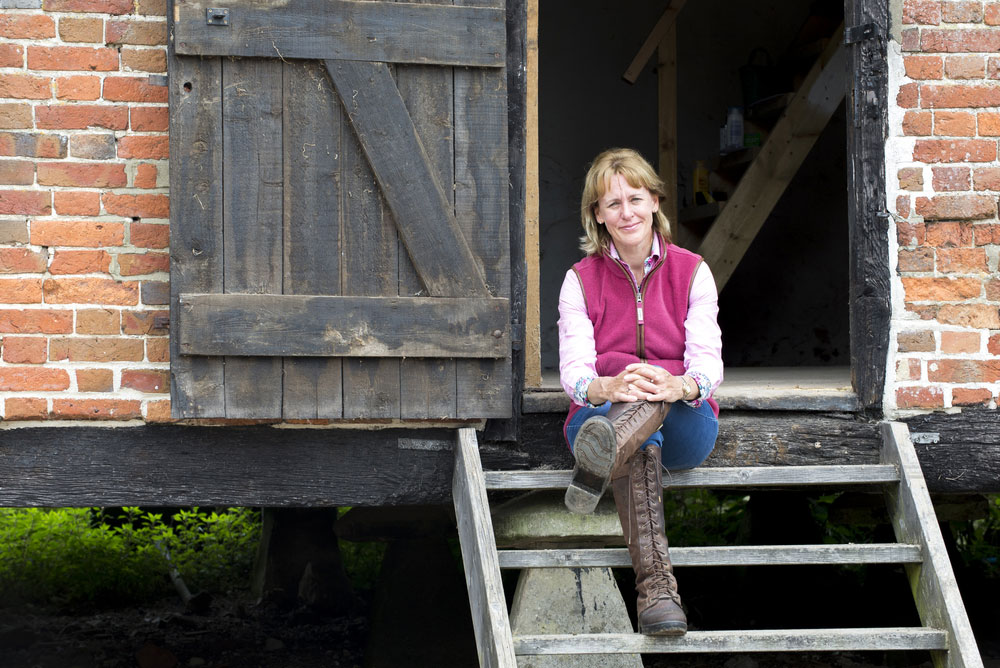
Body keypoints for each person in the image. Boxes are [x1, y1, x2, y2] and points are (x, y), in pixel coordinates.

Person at [558, 148, 722, 636]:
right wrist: (605, 385)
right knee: (636, 422)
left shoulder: (693, 271)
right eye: (612, 204)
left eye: (635, 198)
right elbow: (573, 372)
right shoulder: (578, 280)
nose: (625, 212)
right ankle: (657, 593)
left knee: (651, 388)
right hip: (597, 416)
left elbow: (709, 362)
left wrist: (679, 384)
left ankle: (598, 465)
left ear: (654, 201)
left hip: (687, 422)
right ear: (598, 216)